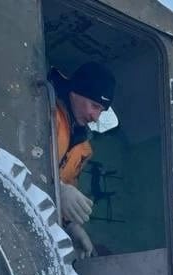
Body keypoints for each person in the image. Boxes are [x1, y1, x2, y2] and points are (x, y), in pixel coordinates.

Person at [48, 62, 115, 257]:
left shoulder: (83, 149)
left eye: (101, 110)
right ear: (75, 92)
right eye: (94, 106)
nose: (95, 117)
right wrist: (56, 190)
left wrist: (70, 225)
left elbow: (69, 188)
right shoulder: (43, 114)